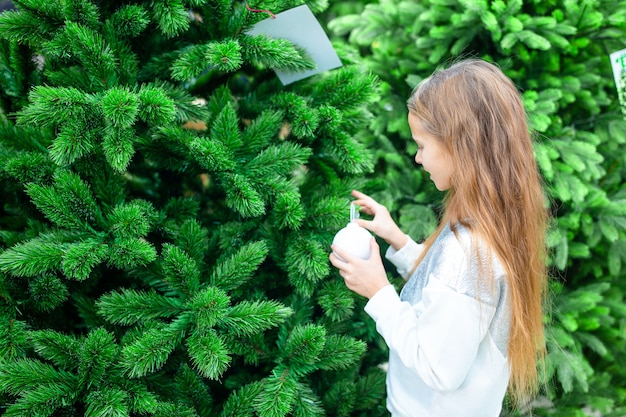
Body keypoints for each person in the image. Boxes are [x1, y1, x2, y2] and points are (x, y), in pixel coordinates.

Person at [329, 59, 548, 417]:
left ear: (461, 146)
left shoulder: (469, 251)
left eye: (421, 145)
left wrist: (379, 293)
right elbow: (446, 292)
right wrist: (398, 241)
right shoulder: (484, 224)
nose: (417, 158)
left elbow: (438, 368)